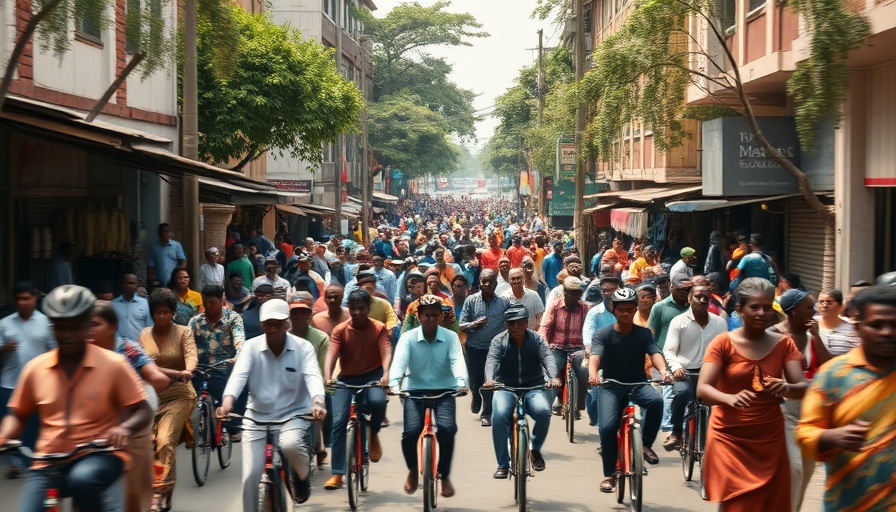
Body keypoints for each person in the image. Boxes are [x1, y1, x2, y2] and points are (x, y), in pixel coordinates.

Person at [0, 285, 152, 512]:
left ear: (87, 326)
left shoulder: (114, 364)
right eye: (60, 328)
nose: (67, 334)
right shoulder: (35, 369)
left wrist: (124, 429)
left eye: (75, 327)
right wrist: (5, 435)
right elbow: (17, 415)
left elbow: (143, 410)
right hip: (48, 460)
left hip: (99, 455)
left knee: (84, 480)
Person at [697, 278, 808, 511]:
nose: (762, 313)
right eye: (754, 307)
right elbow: (703, 389)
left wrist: (786, 387)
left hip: (770, 437)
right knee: (737, 503)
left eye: (767, 307)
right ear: (739, 310)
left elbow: (802, 388)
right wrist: (729, 398)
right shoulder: (722, 343)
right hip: (729, 436)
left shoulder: (784, 344)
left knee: (772, 503)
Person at [217, 298, 326, 510]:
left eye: (278, 323)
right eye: (269, 324)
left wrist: (317, 402)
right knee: (250, 476)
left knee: (291, 445)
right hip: (256, 416)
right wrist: (227, 403)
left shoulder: (303, 347)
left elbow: (313, 376)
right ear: (261, 325)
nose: (274, 329)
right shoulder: (250, 347)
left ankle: (302, 477)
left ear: (287, 323)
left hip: (293, 415)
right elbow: (239, 377)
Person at [795, 285, 896, 512]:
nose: (887, 332)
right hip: (848, 503)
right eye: (877, 325)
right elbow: (804, 433)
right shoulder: (834, 375)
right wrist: (832, 437)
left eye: (894, 325)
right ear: (858, 327)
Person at [587, 288, 671, 493]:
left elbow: (655, 353)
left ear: (635, 310)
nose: (625, 313)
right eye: (621, 309)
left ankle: (645, 445)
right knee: (607, 428)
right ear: (613, 309)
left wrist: (663, 370)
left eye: (629, 309)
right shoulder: (603, 335)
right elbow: (595, 356)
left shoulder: (643, 334)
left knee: (657, 402)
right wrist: (593, 374)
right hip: (611, 387)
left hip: (638, 384)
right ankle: (609, 475)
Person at [90, 301, 170, 512]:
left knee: (133, 495)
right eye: (85, 324)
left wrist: (158, 378)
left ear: (112, 326)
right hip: (91, 429)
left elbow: (153, 375)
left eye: (95, 324)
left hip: (131, 426)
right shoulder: (80, 352)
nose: (88, 330)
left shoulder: (127, 350)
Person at [389, 295, 468, 497]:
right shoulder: (408, 338)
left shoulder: (450, 337)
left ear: (442, 316)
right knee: (410, 432)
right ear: (419, 316)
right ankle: (414, 471)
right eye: (426, 315)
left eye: (435, 315)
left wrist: (461, 382)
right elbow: (399, 362)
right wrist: (394, 382)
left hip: (445, 391)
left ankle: (444, 474)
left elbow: (457, 360)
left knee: (447, 429)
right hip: (414, 391)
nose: (430, 319)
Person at [768, 288, 832, 511]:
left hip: (811, 415)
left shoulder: (810, 335)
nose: (814, 312)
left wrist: (816, 335)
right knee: (794, 469)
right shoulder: (773, 335)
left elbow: (826, 365)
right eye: (809, 307)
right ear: (793, 311)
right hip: (782, 412)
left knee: (806, 473)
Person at [323, 289, 392, 490]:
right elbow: (332, 354)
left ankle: (374, 433)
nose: (357, 313)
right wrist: (328, 376)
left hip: (372, 376)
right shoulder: (340, 330)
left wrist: (386, 373)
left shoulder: (379, 328)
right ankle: (337, 473)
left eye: (361, 308)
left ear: (368, 309)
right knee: (338, 421)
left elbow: (386, 351)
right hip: (346, 379)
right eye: (353, 309)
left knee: (378, 402)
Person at [138, 288, 198, 511]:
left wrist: (187, 371)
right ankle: (164, 489)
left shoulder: (184, 332)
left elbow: (191, 356)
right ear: (152, 313)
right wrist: (173, 372)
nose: (161, 316)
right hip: (151, 397)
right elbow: (144, 365)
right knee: (148, 444)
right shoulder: (144, 334)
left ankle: (159, 491)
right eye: (157, 312)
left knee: (165, 440)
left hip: (179, 395)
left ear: (173, 312)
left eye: (166, 312)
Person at [484, 303, 559, 478]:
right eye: (511, 323)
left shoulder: (536, 339)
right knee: (499, 415)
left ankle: (535, 449)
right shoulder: (499, 340)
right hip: (505, 388)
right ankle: (502, 464)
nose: (516, 327)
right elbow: (492, 361)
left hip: (534, 386)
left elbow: (548, 357)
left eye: (520, 322)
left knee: (543, 411)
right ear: (506, 324)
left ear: (527, 322)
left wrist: (553, 376)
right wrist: (489, 379)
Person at [661, 285, 728, 450]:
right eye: (698, 296)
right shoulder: (679, 322)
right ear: (689, 299)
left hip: (710, 373)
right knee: (682, 393)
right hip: (685, 372)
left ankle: (720, 435)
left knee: (721, 401)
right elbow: (668, 350)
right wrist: (676, 367)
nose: (703, 300)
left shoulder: (719, 322)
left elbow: (725, 349)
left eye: (706, 297)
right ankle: (676, 432)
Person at [0, 282, 56, 479]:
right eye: (19, 299)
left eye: (26, 298)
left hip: (38, 385)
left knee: (33, 425)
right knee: (8, 422)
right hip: (9, 382)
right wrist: (4, 348)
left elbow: (54, 351)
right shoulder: (4, 324)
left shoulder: (46, 323)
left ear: (35, 299)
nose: (22, 302)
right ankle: (14, 463)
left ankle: (32, 459)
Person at [189, 285, 246, 433]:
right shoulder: (196, 321)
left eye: (212, 302)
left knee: (235, 394)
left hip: (223, 368)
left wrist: (238, 355)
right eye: (205, 302)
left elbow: (239, 339)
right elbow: (187, 343)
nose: (208, 306)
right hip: (200, 368)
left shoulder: (233, 318)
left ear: (222, 300)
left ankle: (231, 429)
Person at [459, 270, 510, 426]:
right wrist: (474, 324)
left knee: (489, 380)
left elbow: (512, 320)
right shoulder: (471, 300)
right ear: (479, 283)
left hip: (494, 349)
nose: (487, 284)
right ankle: (476, 395)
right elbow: (461, 325)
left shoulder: (504, 302)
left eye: (490, 282)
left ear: (496, 284)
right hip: (474, 348)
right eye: (484, 281)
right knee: (476, 381)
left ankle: (487, 412)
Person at [539, 277, 591, 416]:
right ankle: (549, 404)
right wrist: (543, 345)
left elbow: (590, 330)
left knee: (584, 373)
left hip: (578, 348)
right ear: (565, 292)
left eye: (577, 293)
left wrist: (589, 347)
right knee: (552, 372)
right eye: (570, 292)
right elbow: (545, 326)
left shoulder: (586, 308)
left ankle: (579, 402)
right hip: (557, 347)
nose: (573, 296)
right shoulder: (555, 305)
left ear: (580, 294)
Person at [815, 289, 861, 356]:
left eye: (829, 303)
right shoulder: (812, 324)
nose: (824, 306)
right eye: (821, 302)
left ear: (841, 307)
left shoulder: (852, 329)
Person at [111, 273, 153, 342]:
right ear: (122, 285)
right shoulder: (113, 305)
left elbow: (149, 327)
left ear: (137, 285)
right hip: (118, 348)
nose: (129, 286)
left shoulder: (145, 304)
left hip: (140, 347)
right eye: (126, 283)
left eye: (132, 283)